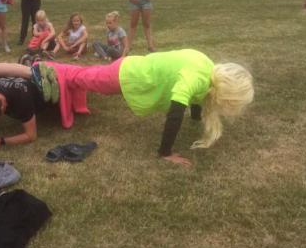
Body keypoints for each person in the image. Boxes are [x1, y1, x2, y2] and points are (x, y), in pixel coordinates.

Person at [44, 49, 253, 167]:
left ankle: (53, 71)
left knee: (88, 76)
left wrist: (196, 118)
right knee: (83, 78)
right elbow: (175, 113)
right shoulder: (196, 78)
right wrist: (165, 152)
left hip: (133, 69)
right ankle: (41, 69)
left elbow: (198, 99)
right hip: (127, 75)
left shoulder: (208, 67)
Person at [0, 76, 46, 148]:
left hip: (45, 92)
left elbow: (31, 136)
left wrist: (0, 141)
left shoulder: (22, 99)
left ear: (2, 108)